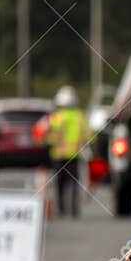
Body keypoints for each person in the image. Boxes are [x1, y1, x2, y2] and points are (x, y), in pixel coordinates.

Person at [46, 85, 86, 218]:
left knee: (60, 184)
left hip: (59, 155)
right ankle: (74, 210)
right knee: (74, 183)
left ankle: (62, 210)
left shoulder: (56, 117)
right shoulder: (80, 116)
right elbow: (87, 135)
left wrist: (48, 141)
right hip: (75, 155)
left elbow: (52, 135)